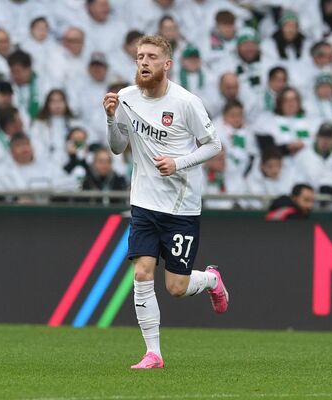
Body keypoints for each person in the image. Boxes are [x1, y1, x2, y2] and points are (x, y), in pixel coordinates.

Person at [103, 34, 228, 370]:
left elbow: (213, 145)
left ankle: (211, 280)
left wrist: (179, 163)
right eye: (139, 56)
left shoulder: (186, 102)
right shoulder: (126, 98)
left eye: (151, 57)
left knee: (176, 286)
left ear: (166, 64)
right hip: (143, 202)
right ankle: (153, 353)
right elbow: (117, 147)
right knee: (142, 272)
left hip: (181, 207)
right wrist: (112, 119)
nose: (143, 62)